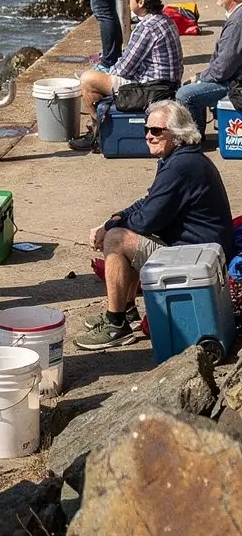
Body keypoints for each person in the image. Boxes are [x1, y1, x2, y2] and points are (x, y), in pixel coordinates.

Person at [75, 99, 235, 351]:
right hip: (194, 247)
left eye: (156, 131)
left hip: (196, 254)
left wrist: (109, 227)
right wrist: (117, 216)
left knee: (117, 239)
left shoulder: (181, 166)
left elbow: (147, 219)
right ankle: (128, 313)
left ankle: (116, 324)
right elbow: (149, 201)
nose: (148, 136)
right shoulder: (180, 158)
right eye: (146, 130)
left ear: (178, 134)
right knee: (124, 231)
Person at [70, 0, 183, 151]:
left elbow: (123, 69)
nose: (128, 0)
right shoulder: (166, 20)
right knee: (100, 74)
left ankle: (98, 134)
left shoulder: (146, 27)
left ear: (141, 2)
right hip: (169, 84)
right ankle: (100, 131)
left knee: (88, 80)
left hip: (150, 89)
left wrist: (105, 71)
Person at [176, 0, 242, 136]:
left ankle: (194, 139)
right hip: (233, 78)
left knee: (185, 94)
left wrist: (199, 77)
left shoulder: (237, 22)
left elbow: (223, 69)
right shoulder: (236, 17)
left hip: (235, 84)